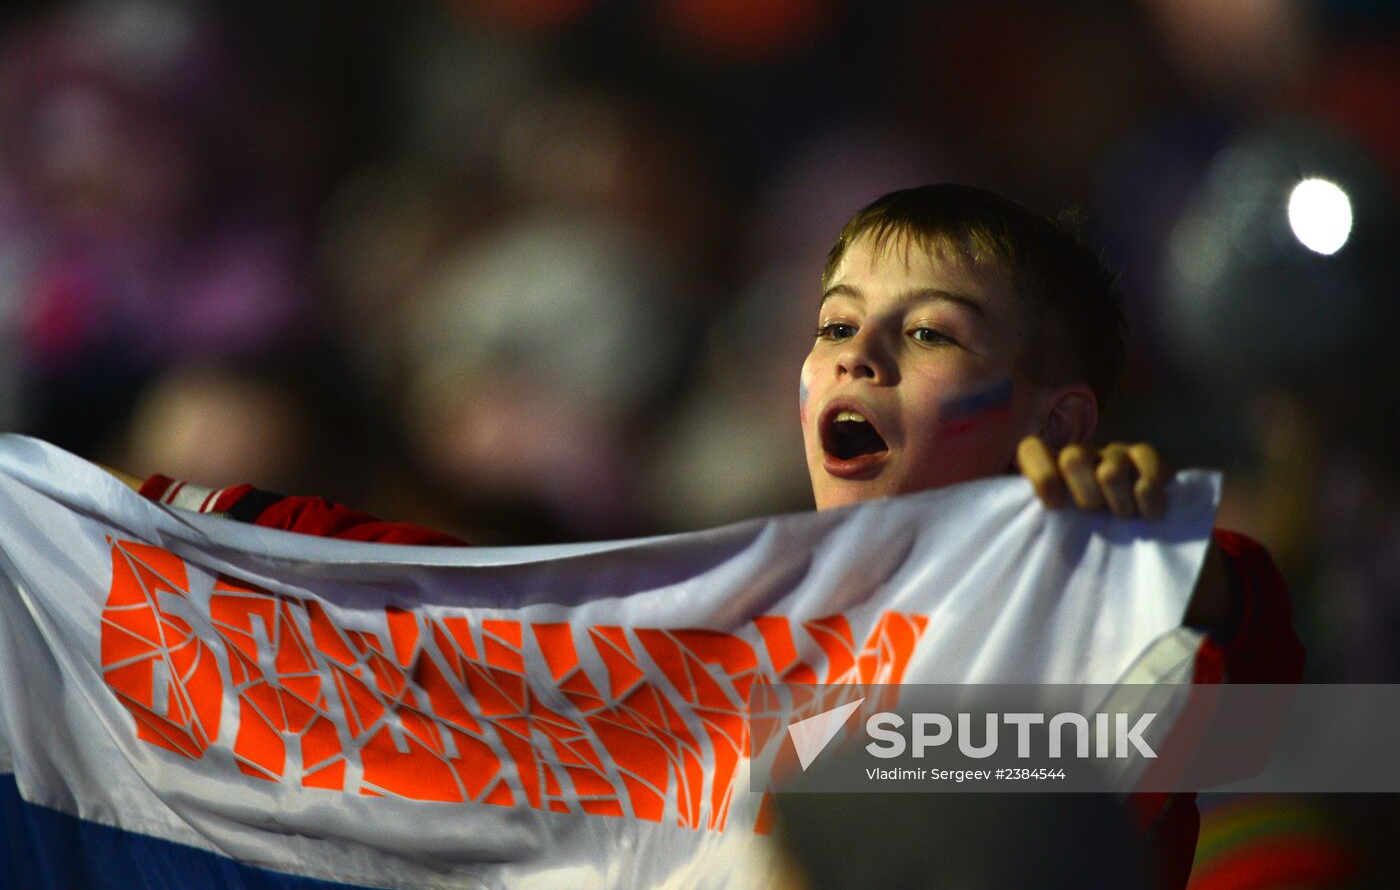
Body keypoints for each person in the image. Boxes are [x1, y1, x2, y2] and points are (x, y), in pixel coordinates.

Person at [106, 184, 1303, 887]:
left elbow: (1299, 740)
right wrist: (134, 515)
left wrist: (1164, 577)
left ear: (1061, 416)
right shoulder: (716, 629)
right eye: (835, 323)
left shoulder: (1148, 595)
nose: (857, 354)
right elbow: (446, 602)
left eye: (930, 333)